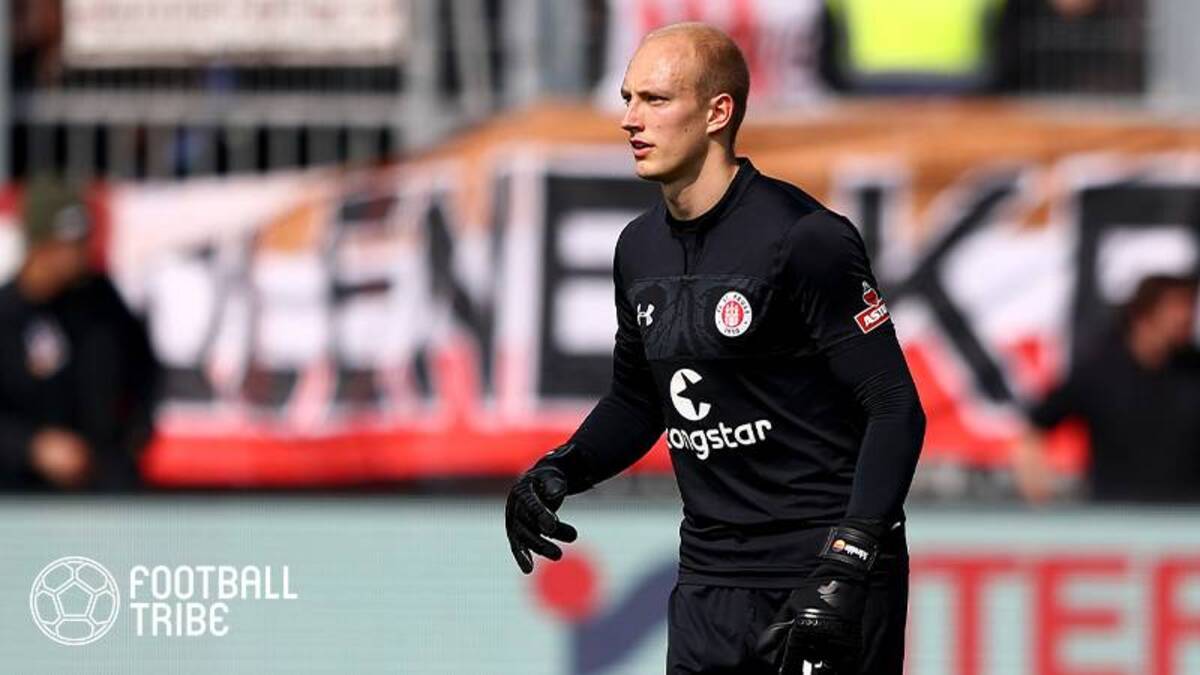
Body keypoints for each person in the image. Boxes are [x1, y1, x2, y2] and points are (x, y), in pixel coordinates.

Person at [504, 22, 925, 674]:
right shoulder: (638, 248)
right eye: (628, 98)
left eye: (655, 99)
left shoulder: (805, 238)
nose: (630, 119)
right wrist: (561, 468)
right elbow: (638, 401)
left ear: (717, 113)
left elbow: (895, 406)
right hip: (711, 581)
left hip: (819, 573)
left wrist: (850, 557)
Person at [0, 177, 160, 491]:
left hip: (102, 488)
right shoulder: (6, 315)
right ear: (39, 246)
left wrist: (132, 439)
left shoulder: (101, 303)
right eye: (68, 244)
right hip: (20, 495)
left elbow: (144, 372)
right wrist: (32, 447)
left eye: (83, 241)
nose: (81, 253)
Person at [1014, 274, 1200, 504]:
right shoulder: (1100, 372)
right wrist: (1038, 497)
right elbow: (1035, 428)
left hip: (1187, 517)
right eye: (1177, 306)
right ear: (1143, 314)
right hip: (1114, 517)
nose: (1186, 316)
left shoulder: (1193, 369)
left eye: (1190, 305)